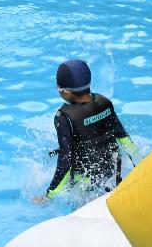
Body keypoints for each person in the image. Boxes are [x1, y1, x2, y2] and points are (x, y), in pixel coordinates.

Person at [35, 59, 138, 203]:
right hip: (112, 172)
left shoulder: (64, 117)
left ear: (66, 92)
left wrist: (49, 195)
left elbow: (66, 161)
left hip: (85, 184)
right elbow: (124, 138)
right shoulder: (104, 102)